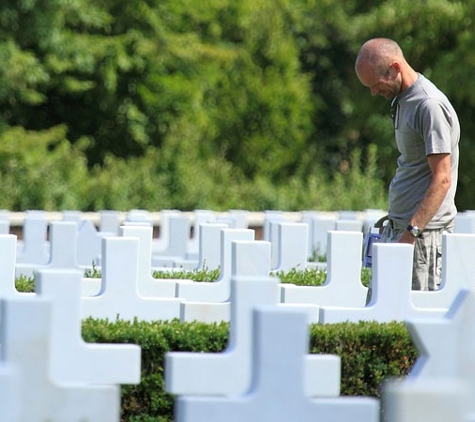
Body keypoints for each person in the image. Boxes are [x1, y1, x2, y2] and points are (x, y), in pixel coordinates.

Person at [355, 38, 460, 291]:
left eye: (376, 84)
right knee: (381, 318)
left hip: (422, 239)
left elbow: (442, 178)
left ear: (394, 68)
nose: (373, 92)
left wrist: (410, 234)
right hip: (401, 231)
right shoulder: (402, 100)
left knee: (408, 324)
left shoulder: (429, 105)